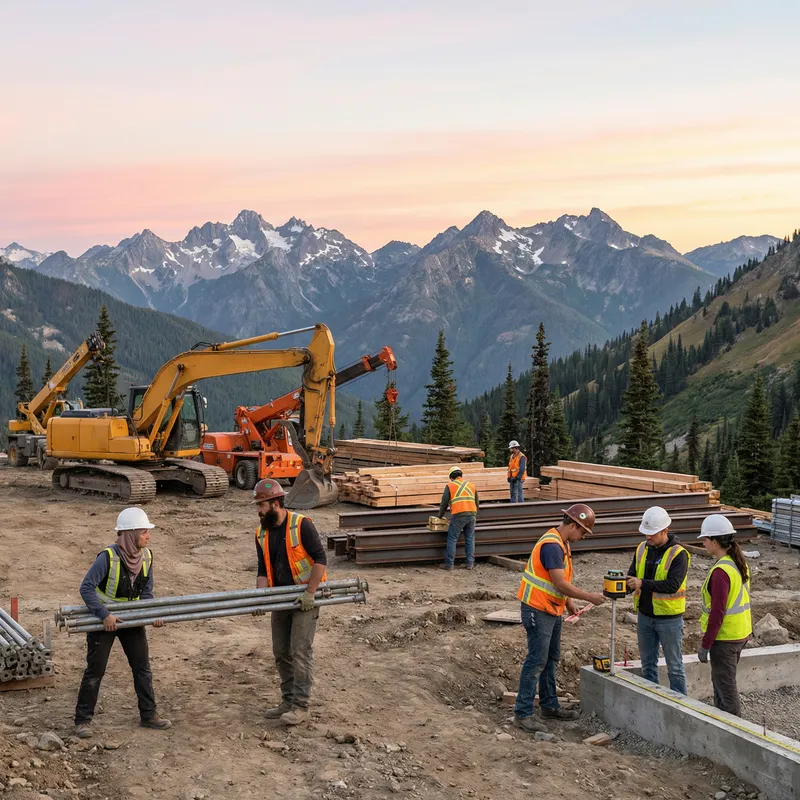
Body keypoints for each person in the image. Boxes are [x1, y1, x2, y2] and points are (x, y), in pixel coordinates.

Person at [73, 507, 170, 739]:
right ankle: (82, 721)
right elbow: (86, 588)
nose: (148, 535)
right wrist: (104, 614)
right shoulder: (107, 557)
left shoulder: (146, 556)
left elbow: (147, 592)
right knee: (96, 670)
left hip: (132, 619)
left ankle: (149, 715)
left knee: (142, 669)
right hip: (104, 621)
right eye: (144, 531)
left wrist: (150, 614)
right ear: (130, 534)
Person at [514, 504, 606, 733]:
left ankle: (549, 705)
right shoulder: (552, 546)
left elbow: (558, 583)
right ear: (573, 525)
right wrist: (588, 597)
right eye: (582, 532)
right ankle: (523, 713)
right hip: (537, 609)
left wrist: (568, 602)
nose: (582, 537)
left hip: (551, 609)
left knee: (551, 658)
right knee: (537, 660)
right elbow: (559, 583)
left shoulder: (562, 543)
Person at [252, 479, 327, 725]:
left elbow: (320, 559)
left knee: (299, 650)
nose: (258, 510)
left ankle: (301, 705)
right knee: (280, 651)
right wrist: (260, 599)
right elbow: (263, 568)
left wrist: (310, 592)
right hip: (280, 597)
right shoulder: (261, 532)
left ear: (275, 503)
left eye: (261, 505)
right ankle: (287, 700)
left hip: (305, 597)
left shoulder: (301, 525)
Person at [626, 506, 690, 694]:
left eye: (652, 533)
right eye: (646, 533)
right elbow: (632, 576)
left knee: (675, 667)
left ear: (665, 531)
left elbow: (672, 585)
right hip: (645, 616)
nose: (648, 537)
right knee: (648, 665)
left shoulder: (679, 554)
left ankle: (680, 705)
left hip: (669, 619)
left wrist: (642, 583)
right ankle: (652, 700)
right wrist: (619, 587)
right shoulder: (641, 548)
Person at [696, 514, 752, 716]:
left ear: (715, 541)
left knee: (726, 690)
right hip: (740, 633)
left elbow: (718, 613)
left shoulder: (721, 571)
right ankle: (721, 721)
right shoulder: (739, 563)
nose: (703, 543)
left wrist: (706, 644)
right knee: (721, 683)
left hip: (725, 639)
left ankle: (734, 733)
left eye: (705, 539)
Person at [438, 466, 479, 571]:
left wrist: (439, 516)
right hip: (472, 514)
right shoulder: (471, 485)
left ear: (451, 477)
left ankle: (449, 565)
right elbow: (477, 503)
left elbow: (444, 504)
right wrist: (473, 513)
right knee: (469, 539)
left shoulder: (450, 486)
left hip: (458, 515)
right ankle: (470, 564)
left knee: (452, 539)